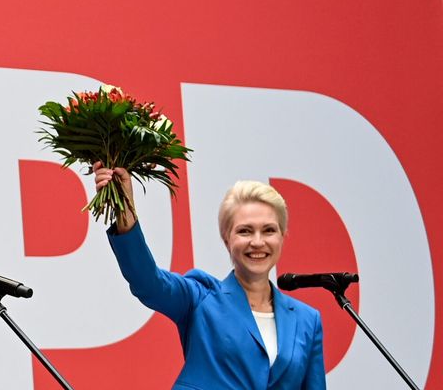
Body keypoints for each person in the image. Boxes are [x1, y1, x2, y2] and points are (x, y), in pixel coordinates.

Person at [94, 162, 325, 389]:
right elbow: (149, 282)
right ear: (227, 238)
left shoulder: (307, 320)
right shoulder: (201, 298)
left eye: (269, 230)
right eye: (245, 231)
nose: (257, 242)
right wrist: (123, 207)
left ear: (283, 236)